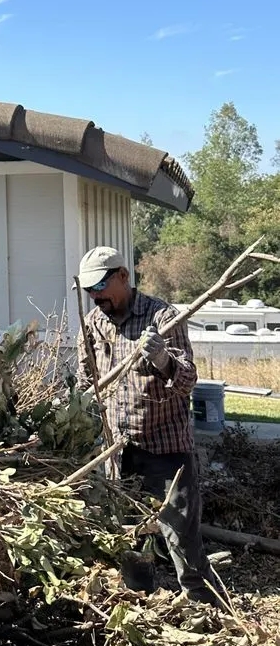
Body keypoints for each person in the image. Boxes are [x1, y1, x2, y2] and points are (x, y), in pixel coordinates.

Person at [75, 246, 220, 606]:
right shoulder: (93, 324)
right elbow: (85, 377)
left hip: (166, 446)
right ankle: (139, 595)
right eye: (89, 291)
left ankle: (200, 599)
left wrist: (162, 358)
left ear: (123, 277)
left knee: (180, 530)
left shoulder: (162, 316)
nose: (96, 297)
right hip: (118, 451)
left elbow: (187, 380)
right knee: (127, 531)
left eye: (101, 288)